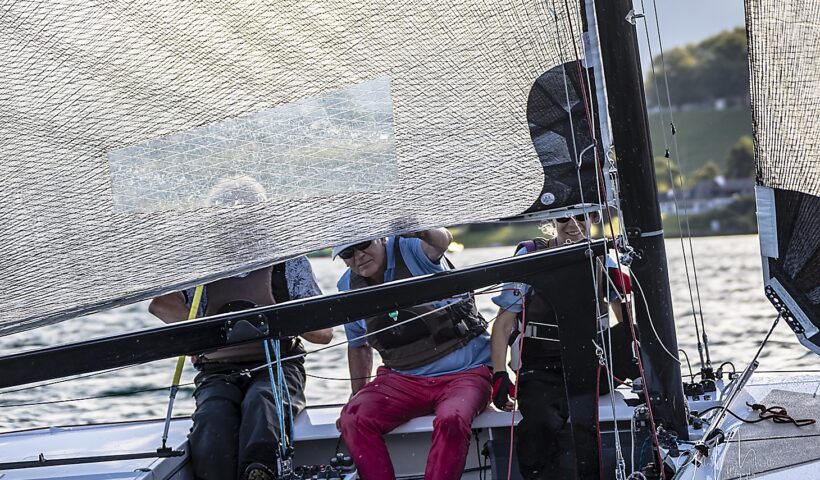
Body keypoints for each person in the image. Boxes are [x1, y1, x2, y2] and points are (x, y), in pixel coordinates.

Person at [149, 176, 333, 480]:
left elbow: (325, 334)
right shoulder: (200, 264)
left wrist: (281, 318)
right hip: (218, 372)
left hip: (277, 367)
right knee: (212, 419)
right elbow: (160, 304)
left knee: (262, 404)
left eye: (246, 217)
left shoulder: (289, 261)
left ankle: (259, 473)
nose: (238, 226)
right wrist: (203, 332)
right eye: (229, 218)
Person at [335, 228, 492, 480]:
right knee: (353, 418)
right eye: (347, 252)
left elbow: (442, 241)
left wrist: (420, 228)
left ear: (382, 237)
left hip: (465, 374)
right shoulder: (347, 287)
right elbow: (358, 346)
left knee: (452, 418)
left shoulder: (411, 249)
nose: (358, 255)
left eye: (364, 244)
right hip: (403, 380)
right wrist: (357, 394)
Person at [489, 211, 636, 480]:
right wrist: (499, 375)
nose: (572, 225)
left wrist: (642, 368)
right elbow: (503, 323)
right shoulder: (530, 256)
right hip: (542, 365)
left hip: (592, 362)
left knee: (634, 333)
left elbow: (624, 316)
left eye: (581, 217)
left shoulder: (603, 256)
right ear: (552, 223)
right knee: (539, 424)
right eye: (563, 219)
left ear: (593, 219)